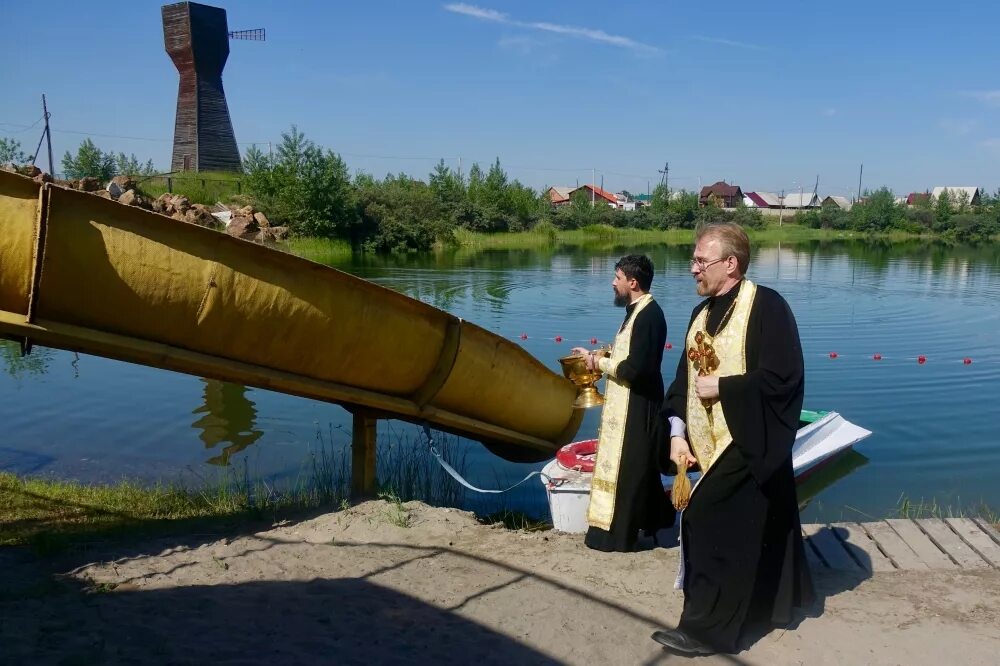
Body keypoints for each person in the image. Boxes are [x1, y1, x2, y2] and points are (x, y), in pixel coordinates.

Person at [652, 222, 815, 656]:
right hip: (704, 441)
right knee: (759, 525)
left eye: (700, 261)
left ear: (731, 264)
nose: (692, 269)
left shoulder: (767, 307)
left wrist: (725, 386)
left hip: (748, 437)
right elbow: (683, 381)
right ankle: (768, 605)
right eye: (692, 260)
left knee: (705, 518)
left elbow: (785, 378)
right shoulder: (699, 314)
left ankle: (707, 632)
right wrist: (676, 432)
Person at [570, 254, 674, 553]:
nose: (612, 283)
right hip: (629, 404)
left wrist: (600, 363)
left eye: (617, 278)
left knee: (630, 471)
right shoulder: (637, 311)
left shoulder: (650, 315)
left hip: (638, 408)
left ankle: (619, 537)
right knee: (637, 469)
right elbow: (626, 355)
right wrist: (594, 355)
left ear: (633, 282)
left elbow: (636, 369)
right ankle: (660, 520)